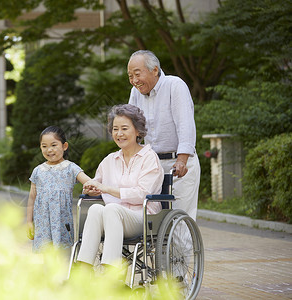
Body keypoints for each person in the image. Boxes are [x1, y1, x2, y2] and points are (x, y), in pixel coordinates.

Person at [77, 104, 164, 269]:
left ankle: (111, 272)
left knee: (111, 209)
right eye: (115, 129)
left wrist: (106, 189)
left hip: (142, 218)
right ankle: (83, 269)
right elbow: (97, 184)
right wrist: (92, 189)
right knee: (96, 208)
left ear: (138, 131)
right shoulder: (110, 160)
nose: (119, 133)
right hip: (113, 218)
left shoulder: (149, 158)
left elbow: (142, 194)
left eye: (124, 128)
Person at [127, 50, 200, 221]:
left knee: (180, 220)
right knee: (154, 220)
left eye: (137, 74)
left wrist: (182, 160)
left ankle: (183, 249)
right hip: (153, 165)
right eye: (130, 76)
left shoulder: (175, 85)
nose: (134, 80)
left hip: (180, 164)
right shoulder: (135, 92)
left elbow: (185, 125)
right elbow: (132, 129)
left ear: (154, 70)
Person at [27, 126, 92, 252]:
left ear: (64, 146)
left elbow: (89, 182)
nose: (49, 150)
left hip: (62, 222)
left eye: (53, 145)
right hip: (42, 223)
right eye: (44, 146)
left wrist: (92, 188)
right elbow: (32, 197)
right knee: (46, 254)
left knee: (64, 253)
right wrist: (29, 221)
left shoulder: (70, 168)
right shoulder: (38, 171)